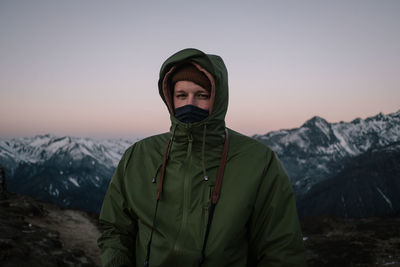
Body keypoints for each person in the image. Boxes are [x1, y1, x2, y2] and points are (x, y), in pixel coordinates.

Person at [98, 48, 307, 267]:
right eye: (181, 95)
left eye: (202, 95)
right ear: (170, 98)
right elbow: (115, 230)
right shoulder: (138, 157)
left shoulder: (259, 162)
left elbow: (281, 250)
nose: (190, 104)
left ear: (217, 98)